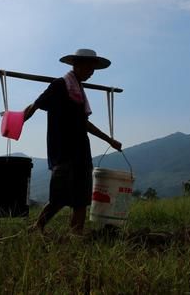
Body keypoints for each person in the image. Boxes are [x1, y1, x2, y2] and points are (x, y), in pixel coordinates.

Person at [24, 49, 122, 235]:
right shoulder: (60, 86)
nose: (92, 72)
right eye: (89, 67)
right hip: (63, 152)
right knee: (58, 197)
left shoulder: (78, 92)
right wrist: (18, 120)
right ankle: (38, 227)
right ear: (76, 65)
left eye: (93, 68)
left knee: (81, 199)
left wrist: (109, 140)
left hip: (81, 152)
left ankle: (75, 235)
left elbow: (83, 123)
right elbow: (35, 105)